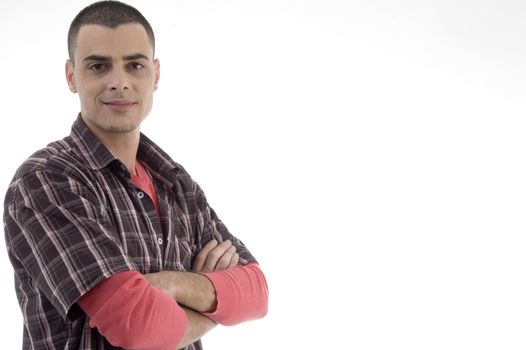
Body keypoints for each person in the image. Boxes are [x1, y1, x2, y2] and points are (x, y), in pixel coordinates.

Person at [3, 1, 268, 349]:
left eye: (135, 65)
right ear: (72, 76)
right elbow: (140, 329)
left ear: (155, 74)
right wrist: (217, 305)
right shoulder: (47, 182)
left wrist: (172, 284)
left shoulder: (176, 185)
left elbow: (257, 292)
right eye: (98, 66)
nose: (120, 82)